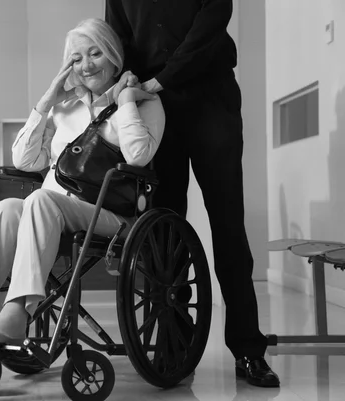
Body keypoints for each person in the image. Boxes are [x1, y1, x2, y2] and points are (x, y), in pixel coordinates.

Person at [0, 18, 164, 351]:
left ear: (114, 56)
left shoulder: (145, 102)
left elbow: (139, 156)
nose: (86, 65)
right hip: (53, 211)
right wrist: (46, 102)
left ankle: (14, 315)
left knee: (40, 200)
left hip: (110, 215)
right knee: (8, 207)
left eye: (95, 54)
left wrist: (125, 101)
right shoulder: (65, 108)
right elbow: (25, 161)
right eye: (76, 58)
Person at [105, 0, 280, 388]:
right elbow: (118, 39)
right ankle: (174, 347)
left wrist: (161, 79)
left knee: (228, 224)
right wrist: (127, 80)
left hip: (209, 97)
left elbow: (211, 23)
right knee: (164, 232)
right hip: (152, 105)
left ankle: (249, 351)